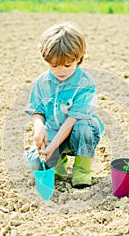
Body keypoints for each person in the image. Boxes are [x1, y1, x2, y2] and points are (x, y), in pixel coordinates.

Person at [24, 22, 104, 189]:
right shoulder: (42, 82)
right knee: (33, 163)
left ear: (78, 59)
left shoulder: (85, 82)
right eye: (54, 66)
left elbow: (73, 119)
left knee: (84, 128)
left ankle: (82, 171)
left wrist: (52, 147)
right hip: (53, 131)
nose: (61, 71)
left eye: (67, 65)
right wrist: (39, 126)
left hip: (78, 131)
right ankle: (59, 165)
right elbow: (37, 110)